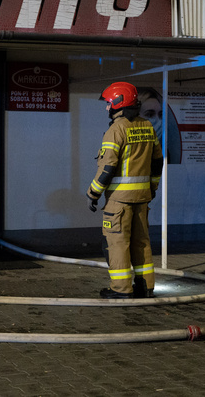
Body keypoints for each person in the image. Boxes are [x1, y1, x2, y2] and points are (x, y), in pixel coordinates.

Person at [86, 82, 163, 299]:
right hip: (142, 197)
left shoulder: (116, 130)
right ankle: (146, 287)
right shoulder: (147, 126)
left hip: (119, 201)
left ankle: (121, 289)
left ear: (118, 103)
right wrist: (153, 187)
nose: (107, 107)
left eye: (109, 103)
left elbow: (107, 167)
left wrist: (93, 193)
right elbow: (157, 162)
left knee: (117, 243)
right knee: (142, 242)